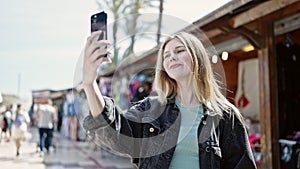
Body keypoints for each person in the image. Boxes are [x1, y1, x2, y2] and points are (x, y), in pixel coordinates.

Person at [81, 31, 257, 169]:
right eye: (166, 55)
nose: (171, 56)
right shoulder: (151, 108)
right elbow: (114, 133)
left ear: (198, 59)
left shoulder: (225, 115)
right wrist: (89, 84)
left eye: (179, 51)